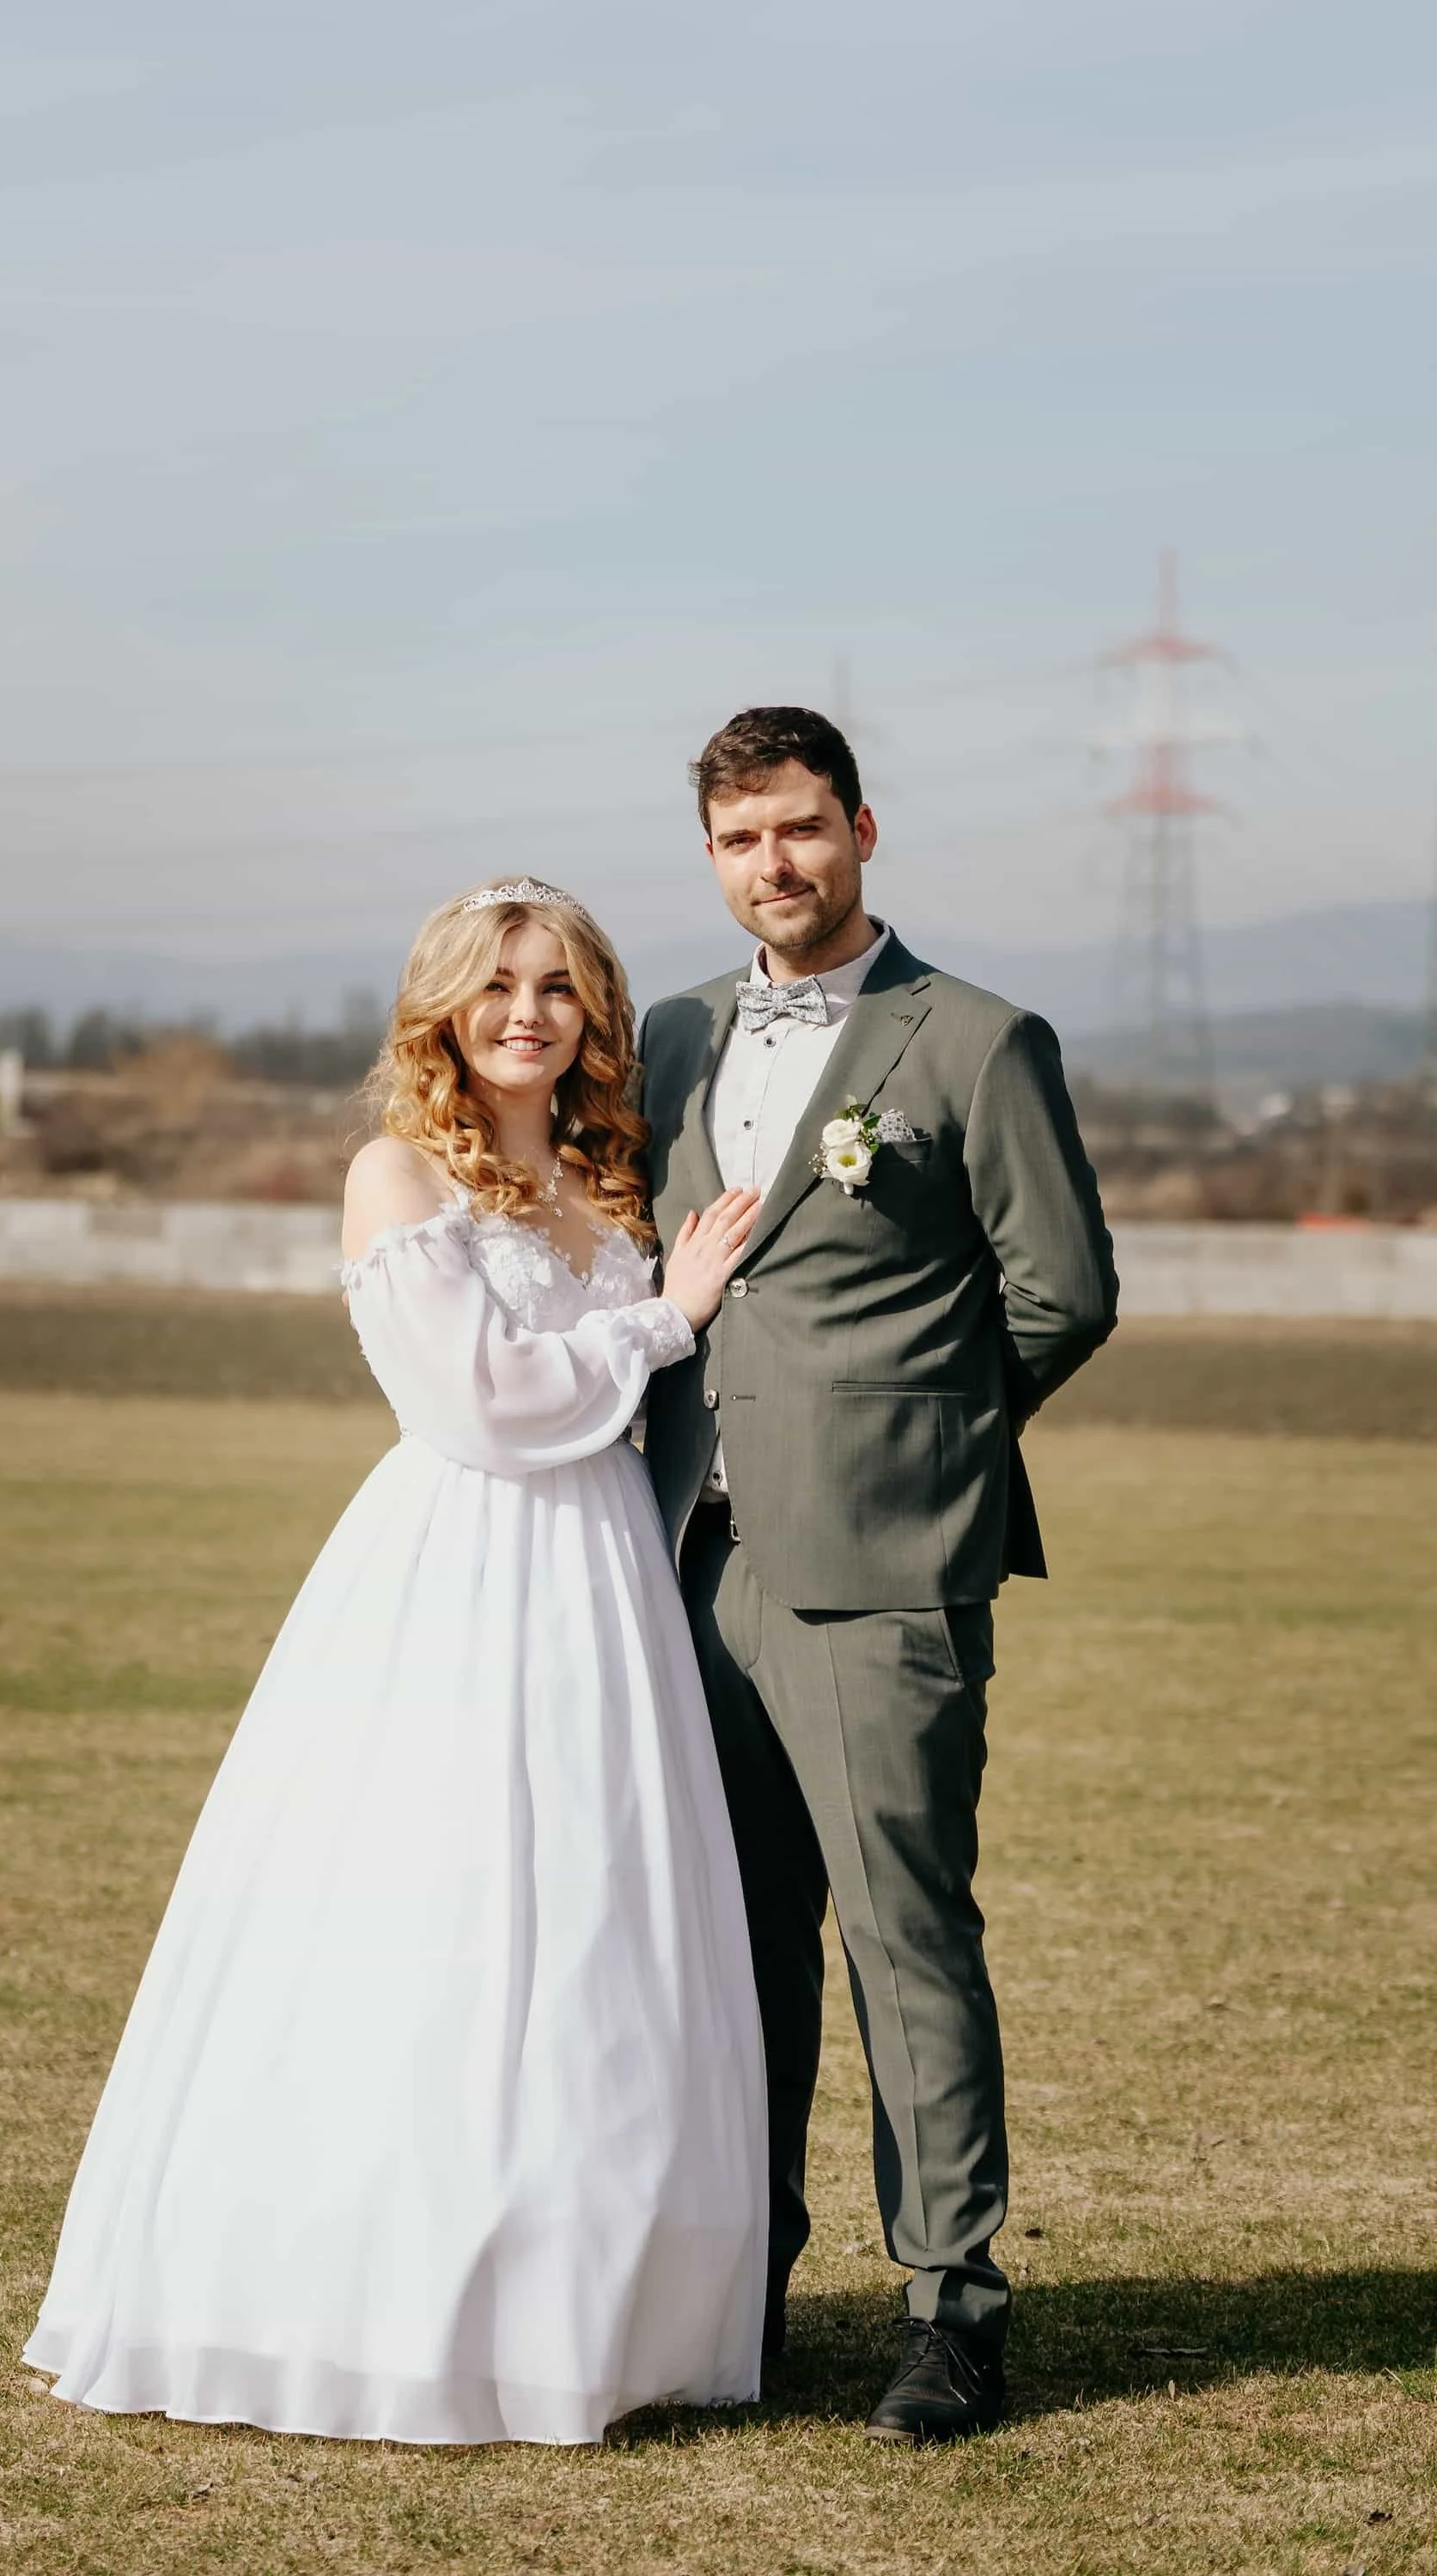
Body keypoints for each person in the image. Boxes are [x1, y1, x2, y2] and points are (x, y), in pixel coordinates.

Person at [24, 878, 770, 2446]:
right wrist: (668, 1319)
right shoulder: (397, 1172)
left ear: (594, 1013)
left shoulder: (606, 1175)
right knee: (440, 1900)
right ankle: (382, 2302)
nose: (527, 1014)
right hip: (462, 1562)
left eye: (558, 988)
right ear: (442, 1006)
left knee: (596, 1906)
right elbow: (478, 1403)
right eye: (496, 984)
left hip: (604, 1570)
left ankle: (584, 2307)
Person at [639, 707, 1118, 2445]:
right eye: (738, 838)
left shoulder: (978, 1040)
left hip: (883, 1564)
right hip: (682, 1559)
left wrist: (915, 1451)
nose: (772, 863)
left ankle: (952, 2310)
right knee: (732, 1945)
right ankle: (742, 2290)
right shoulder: (670, 1033)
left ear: (858, 827)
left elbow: (1062, 1294)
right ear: (711, 858)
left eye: (798, 827)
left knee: (904, 1939)